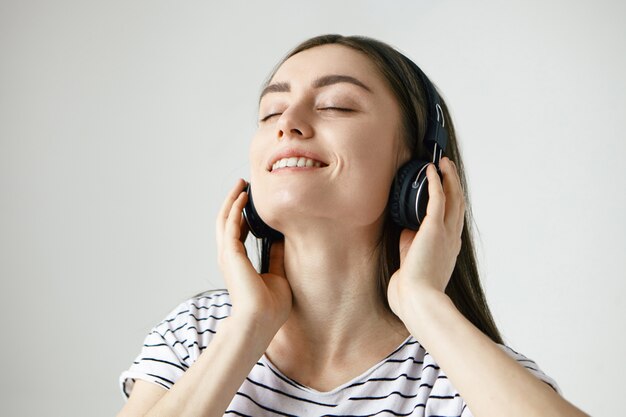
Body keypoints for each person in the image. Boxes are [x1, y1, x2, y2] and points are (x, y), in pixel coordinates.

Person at [116, 34, 588, 416]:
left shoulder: (469, 375)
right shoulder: (197, 334)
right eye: (270, 112)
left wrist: (425, 305)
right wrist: (249, 327)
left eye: (336, 105)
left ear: (419, 175)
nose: (289, 124)